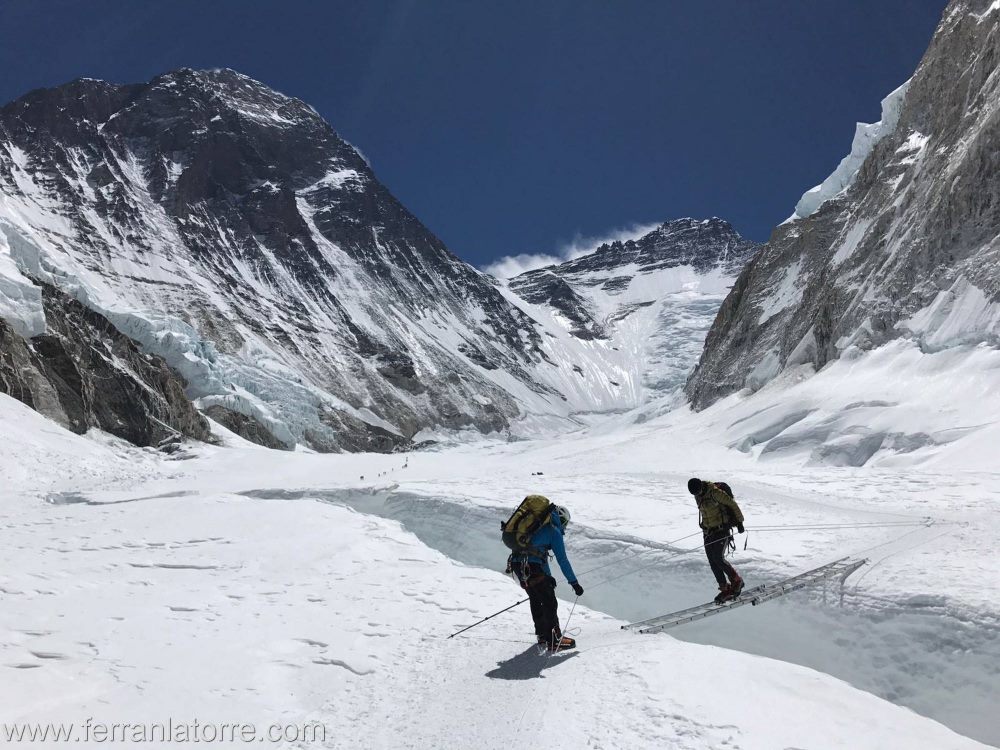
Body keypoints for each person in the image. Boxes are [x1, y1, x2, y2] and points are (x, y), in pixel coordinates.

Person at [507, 504, 583, 651]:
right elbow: (563, 560)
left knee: (535, 598)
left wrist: (547, 576)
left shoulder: (535, 528)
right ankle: (554, 640)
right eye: (565, 523)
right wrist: (574, 583)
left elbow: (538, 555)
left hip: (518, 565)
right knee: (549, 603)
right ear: (560, 519)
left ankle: (542, 635)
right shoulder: (553, 531)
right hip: (533, 567)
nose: (564, 527)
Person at [687, 478, 745, 603]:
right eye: (694, 494)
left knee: (718, 558)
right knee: (712, 561)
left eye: (697, 492)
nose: (696, 495)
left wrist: (739, 522)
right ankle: (725, 588)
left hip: (721, 529)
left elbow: (732, 504)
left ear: (701, 486)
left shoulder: (715, 492)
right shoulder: (697, 495)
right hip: (708, 532)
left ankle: (737, 581)